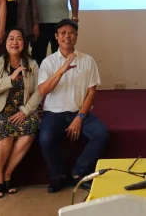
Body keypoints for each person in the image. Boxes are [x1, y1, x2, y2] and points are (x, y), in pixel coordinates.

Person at [37, 19, 107, 193]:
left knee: (101, 133)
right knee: (45, 138)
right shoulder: (48, 62)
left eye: (71, 33)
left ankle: (79, 172)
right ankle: (58, 176)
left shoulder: (88, 60)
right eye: (63, 33)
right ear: (56, 36)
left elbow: (91, 93)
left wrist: (79, 117)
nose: (67, 36)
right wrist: (61, 71)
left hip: (79, 111)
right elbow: (43, 91)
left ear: (76, 36)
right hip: (54, 113)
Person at [0, 27, 41, 199]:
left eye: (19, 39)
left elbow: (39, 92)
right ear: (5, 43)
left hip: (22, 110)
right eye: (11, 39)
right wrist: (10, 79)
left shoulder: (32, 64)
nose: (15, 42)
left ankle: (7, 173)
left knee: (30, 127)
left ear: (24, 43)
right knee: (4, 127)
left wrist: (26, 111)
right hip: (0, 110)